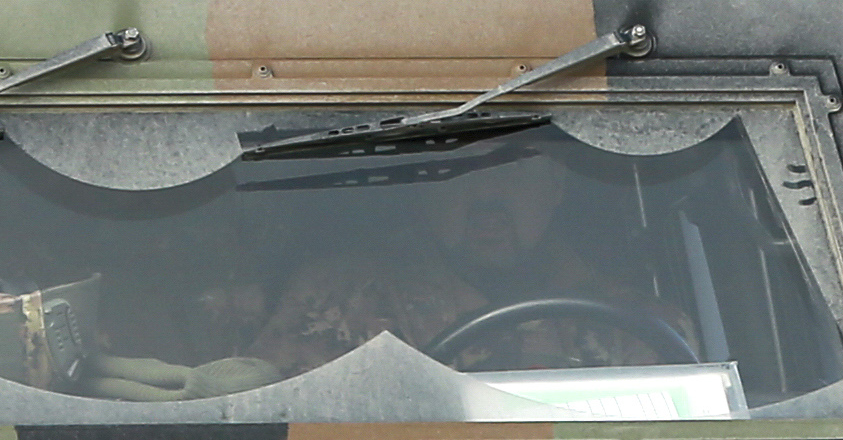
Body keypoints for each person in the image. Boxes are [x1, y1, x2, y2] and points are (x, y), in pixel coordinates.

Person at [247, 158, 680, 378]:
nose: (487, 196)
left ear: (555, 186)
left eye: (512, 169)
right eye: (460, 171)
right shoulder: (339, 299)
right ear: (423, 192)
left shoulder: (640, 324)